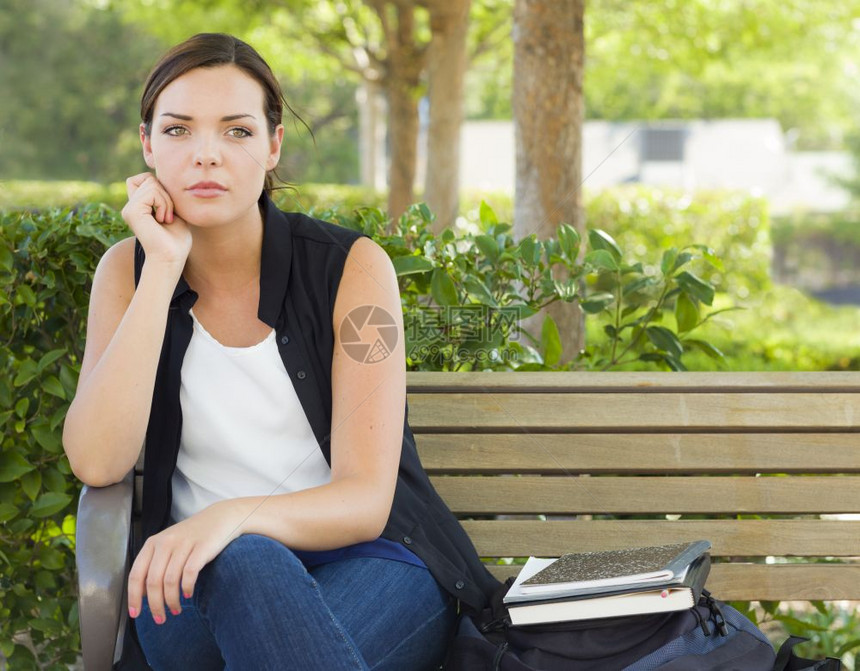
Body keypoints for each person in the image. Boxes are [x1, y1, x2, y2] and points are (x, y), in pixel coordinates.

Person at [63, 33, 499, 670]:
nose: (206, 156)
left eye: (236, 132)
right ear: (148, 145)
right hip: (191, 587)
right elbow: (99, 462)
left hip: (373, 566)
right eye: (179, 131)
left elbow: (364, 499)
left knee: (250, 559)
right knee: (245, 569)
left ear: (272, 147)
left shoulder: (353, 269)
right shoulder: (127, 272)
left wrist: (231, 521)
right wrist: (160, 271)